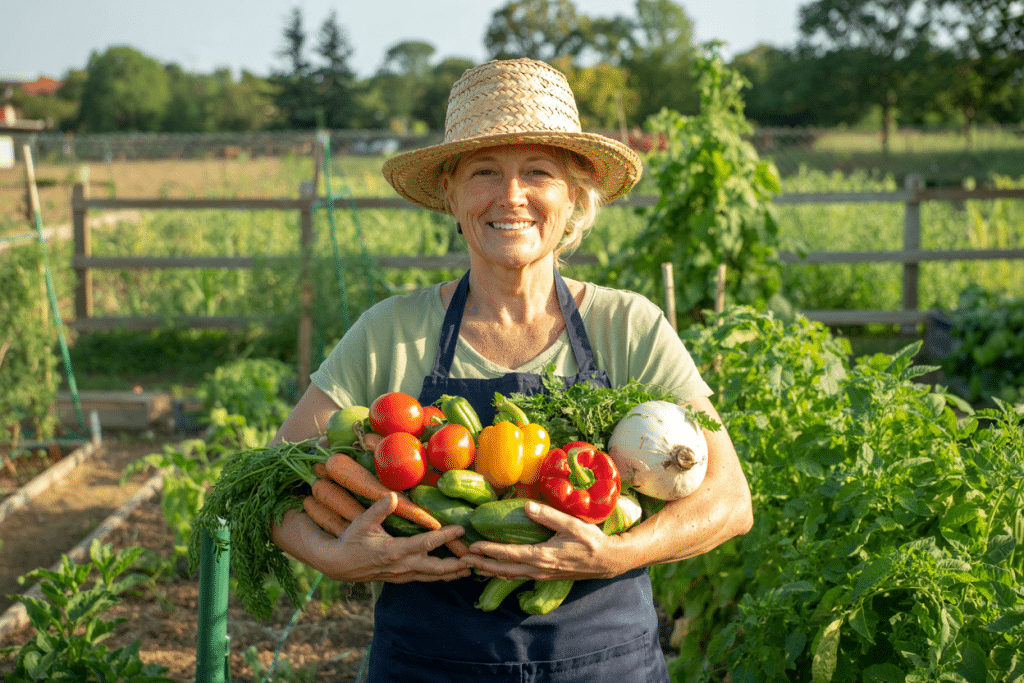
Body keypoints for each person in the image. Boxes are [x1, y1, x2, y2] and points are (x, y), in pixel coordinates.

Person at [270, 57, 753, 682]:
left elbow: (731, 500)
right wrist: (337, 559)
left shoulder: (627, 326)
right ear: (450, 191)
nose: (512, 196)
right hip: (426, 667)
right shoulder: (390, 331)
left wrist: (614, 554)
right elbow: (273, 484)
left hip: (604, 665)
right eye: (484, 173)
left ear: (574, 195)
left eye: (538, 173)